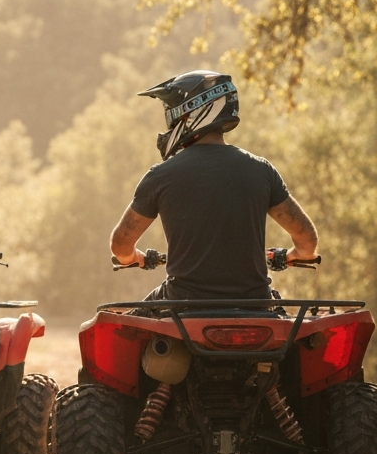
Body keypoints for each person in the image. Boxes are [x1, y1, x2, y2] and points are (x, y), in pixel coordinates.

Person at [109, 70, 319, 303]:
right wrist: (295, 255)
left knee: (126, 329)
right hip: (255, 304)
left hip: (183, 304)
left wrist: (133, 257)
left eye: (172, 115)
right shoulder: (261, 170)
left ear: (189, 114)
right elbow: (307, 238)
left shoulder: (161, 176)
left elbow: (120, 244)